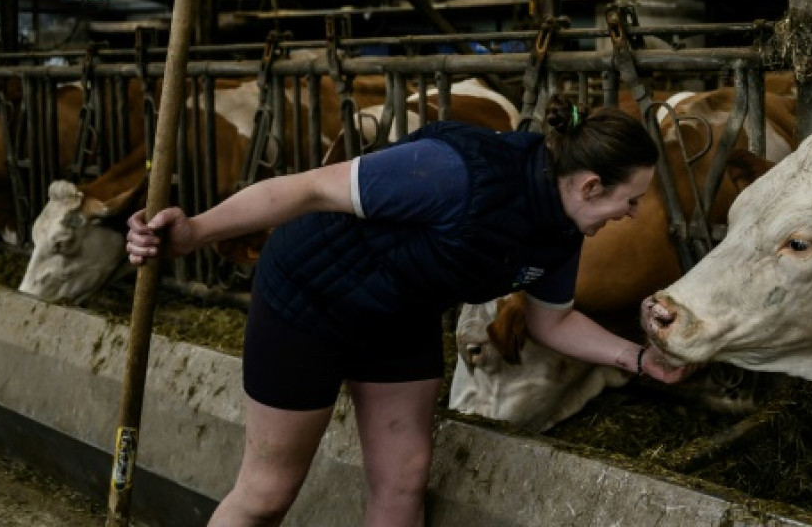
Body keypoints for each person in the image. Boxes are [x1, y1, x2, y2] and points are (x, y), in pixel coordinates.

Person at [125, 92, 692, 527]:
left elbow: (552, 321)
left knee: (404, 481)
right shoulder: (457, 174)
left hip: (400, 316)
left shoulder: (562, 233)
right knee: (267, 493)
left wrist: (639, 360)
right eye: (631, 199)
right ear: (592, 185)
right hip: (310, 300)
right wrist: (194, 231)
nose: (633, 212)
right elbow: (306, 190)